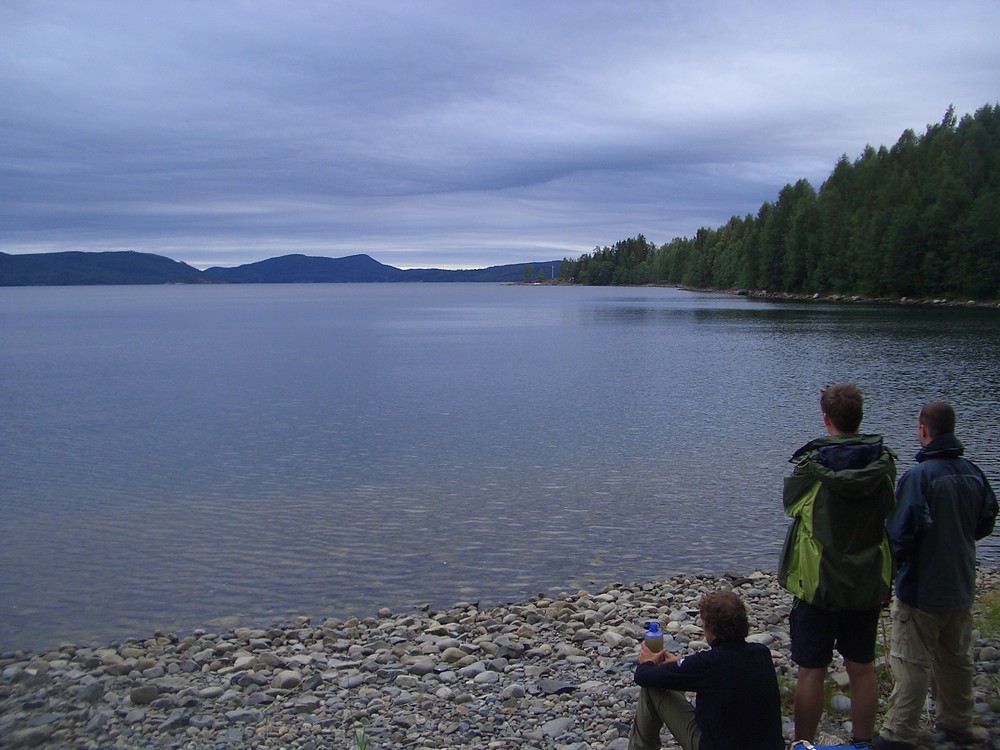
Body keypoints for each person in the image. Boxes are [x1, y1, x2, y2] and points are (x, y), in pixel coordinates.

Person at [778, 383, 897, 746]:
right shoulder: (884, 464)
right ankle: (861, 742)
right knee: (861, 667)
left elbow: (791, 505)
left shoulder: (811, 468)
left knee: (811, 670)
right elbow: (889, 507)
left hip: (819, 582)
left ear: (825, 418)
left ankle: (804, 744)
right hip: (865, 579)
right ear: (859, 418)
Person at [874, 403, 998, 750]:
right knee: (956, 658)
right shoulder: (973, 472)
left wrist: (886, 579)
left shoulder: (918, 477)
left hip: (922, 588)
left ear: (924, 430)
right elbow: (986, 521)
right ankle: (957, 722)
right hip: (960, 583)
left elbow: (900, 534)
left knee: (911, 662)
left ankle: (899, 734)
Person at [627, 590, 785, 750]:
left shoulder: (708, 664)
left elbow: (644, 677)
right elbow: (725, 673)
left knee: (652, 689)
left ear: (711, 628)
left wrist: (646, 662)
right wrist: (679, 664)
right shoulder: (761, 654)